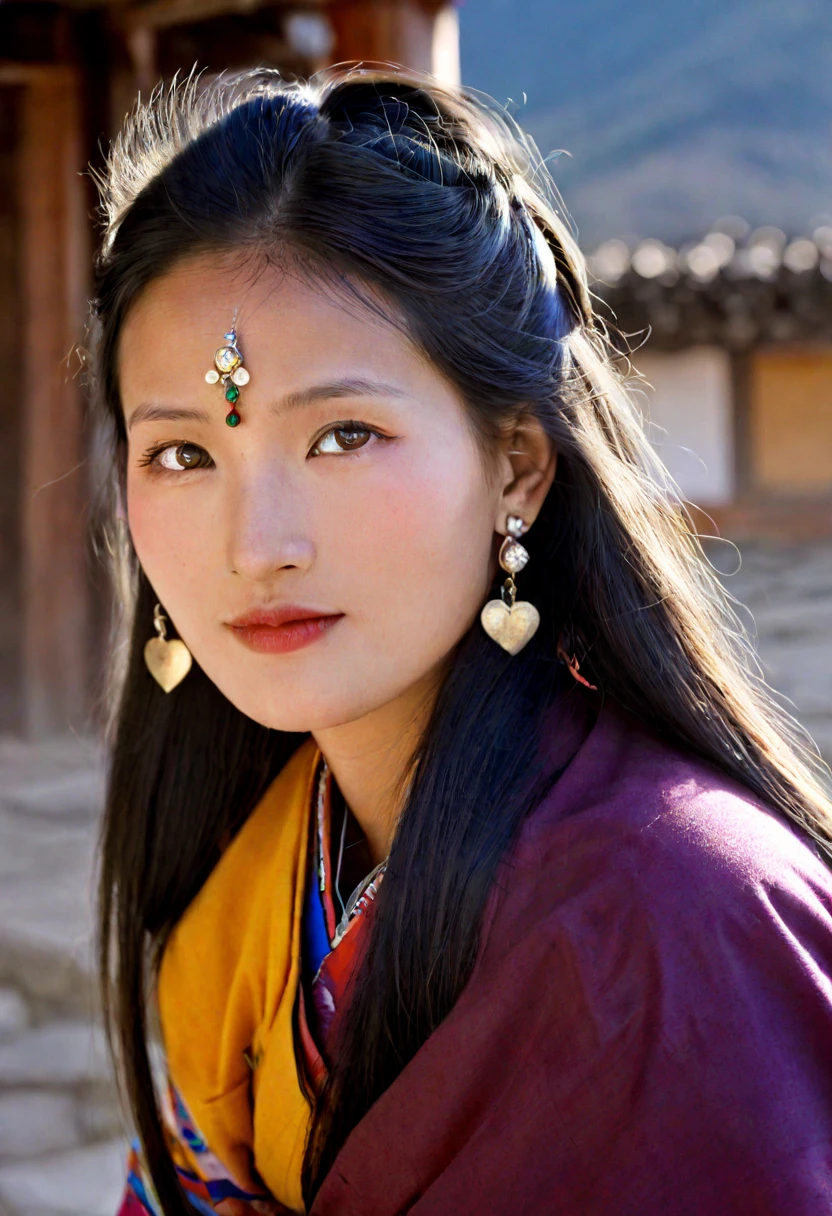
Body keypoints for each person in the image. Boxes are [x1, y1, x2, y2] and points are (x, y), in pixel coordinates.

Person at [92, 66, 832, 1216]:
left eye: (343, 434)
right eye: (183, 455)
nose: (255, 545)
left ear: (516, 466)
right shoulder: (260, 870)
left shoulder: (679, 925)